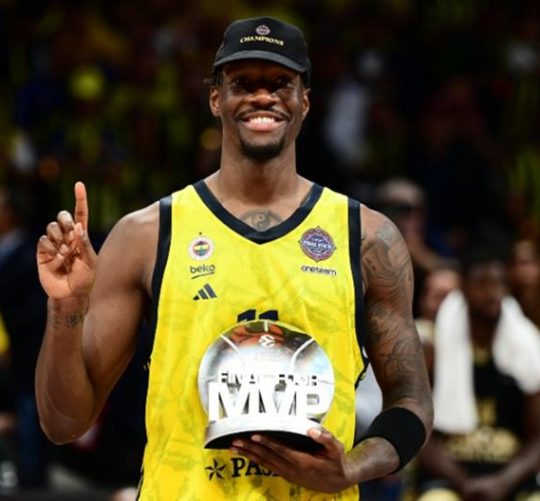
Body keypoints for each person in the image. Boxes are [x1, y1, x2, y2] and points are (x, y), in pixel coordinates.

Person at [35, 16, 433, 499]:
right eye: (243, 83)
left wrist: (350, 467)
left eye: (280, 83)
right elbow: (63, 422)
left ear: (304, 102)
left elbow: (412, 404)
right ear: (215, 98)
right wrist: (65, 306)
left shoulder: (367, 237)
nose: (262, 96)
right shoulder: (146, 235)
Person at [414, 249, 540, 501]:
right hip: (450, 477)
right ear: (463, 288)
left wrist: (502, 482)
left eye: (499, 284)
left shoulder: (528, 347)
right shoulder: (433, 348)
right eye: (482, 284)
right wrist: (465, 483)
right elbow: (417, 432)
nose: (493, 293)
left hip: (510, 478)